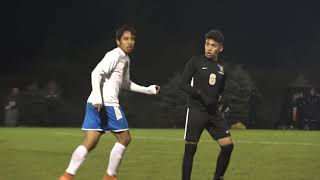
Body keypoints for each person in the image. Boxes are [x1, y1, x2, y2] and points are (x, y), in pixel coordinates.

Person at [59, 25, 160, 180]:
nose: (130, 42)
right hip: (107, 104)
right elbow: (96, 73)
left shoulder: (125, 59)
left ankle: (67, 175)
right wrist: (99, 98)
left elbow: (125, 83)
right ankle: (110, 176)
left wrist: (148, 90)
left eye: (132, 39)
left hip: (94, 102)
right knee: (125, 138)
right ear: (118, 41)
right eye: (126, 39)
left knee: (90, 142)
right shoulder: (115, 55)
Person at [180, 29, 233, 180]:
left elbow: (222, 90)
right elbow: (182, 84)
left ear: (220, 48)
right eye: (207, 44)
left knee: (228, 146)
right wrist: (200, 95)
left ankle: (218, 177)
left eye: (213, 45)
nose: (209, 48)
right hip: (196, 110)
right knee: (190, 149)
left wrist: (224, 100)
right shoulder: (195, 61)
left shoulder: (222, 68)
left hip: (213, 112)